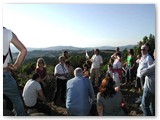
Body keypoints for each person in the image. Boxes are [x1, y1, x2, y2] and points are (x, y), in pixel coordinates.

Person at [3, 27, 27, 116]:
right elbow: (23, 50)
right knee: (17, 100)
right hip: (4, 75)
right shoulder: (6, 32)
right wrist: (16, 66)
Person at [140, 49, 155, 116]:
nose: (153, 53)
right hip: (153, 88)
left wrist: (143, 69)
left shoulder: (149, 58)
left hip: (150, 88)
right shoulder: (144, 57)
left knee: (144, 105)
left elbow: (143, 72)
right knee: (153, 105)